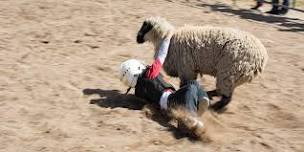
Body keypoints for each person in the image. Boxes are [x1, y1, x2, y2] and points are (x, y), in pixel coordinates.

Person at [119, 59, 210, 137]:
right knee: (192, 85)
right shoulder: (148, 75)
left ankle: (194, 110)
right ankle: (190, 117)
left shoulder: (139, 90)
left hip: (169, 101)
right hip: (170, 100)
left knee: (191, 86)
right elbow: (160, 58)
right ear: (136, 68)